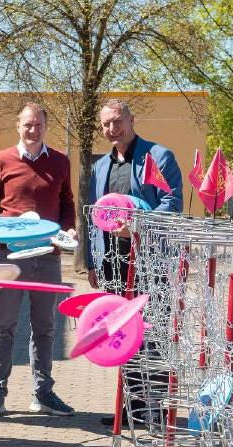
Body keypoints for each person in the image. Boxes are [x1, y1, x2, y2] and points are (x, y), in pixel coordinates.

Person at [86, 98, 182, 426]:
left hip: (150, 264)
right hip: (114, 265)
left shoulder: (158, 156)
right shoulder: (101, 166)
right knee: (123, 336)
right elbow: (94, 215)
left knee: (152, 335)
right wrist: (92, 262)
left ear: (131, 119)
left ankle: (152, 409)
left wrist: (139, 227)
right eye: (106, 125)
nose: (112, 129)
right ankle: (128, 407)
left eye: (117, 121)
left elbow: (172, 202)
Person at [0, 103, 78, 419]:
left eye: (38, 125)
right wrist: (3, 232)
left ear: (45, 126)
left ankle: (43, 393)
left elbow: (67, 205)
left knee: (45, 328)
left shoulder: (61, 160)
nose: (32, 130)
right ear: (17, 126)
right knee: (3, 326)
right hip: (10, 257)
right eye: (27, 125)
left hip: (48, 258)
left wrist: (68, 230)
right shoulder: (0, 160)